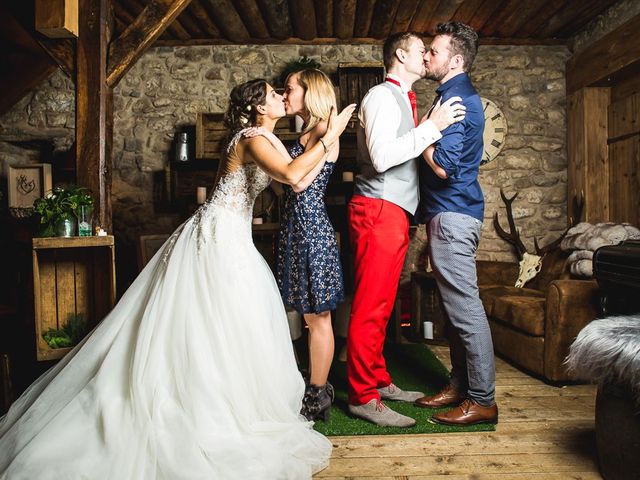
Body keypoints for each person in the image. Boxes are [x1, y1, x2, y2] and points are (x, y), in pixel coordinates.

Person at [0, 79, 356, 479]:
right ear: (259, 108)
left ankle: (226, 401)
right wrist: (332, 138)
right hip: (218, 236)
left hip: (236, 236)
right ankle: (195, 408)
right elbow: (292, 175)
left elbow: (295, 180)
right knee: (206, 321)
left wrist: (321, 145)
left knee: (229, 325)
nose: (281, 96)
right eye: (275, 93)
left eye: (282, 91)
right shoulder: (252, 138)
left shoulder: (270, 139)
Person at [347, 31, 466, 428]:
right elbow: (381, 158)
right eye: (421, 50)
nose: (427, 56)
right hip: (378, 209)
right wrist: (431, 128)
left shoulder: (402, 99)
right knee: (370, 306)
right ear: (400, 54)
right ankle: (362, 397)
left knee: (382, 305)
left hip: (395, 212)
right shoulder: (382, 96)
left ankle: (377, 380)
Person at [413, 21, 499, 426]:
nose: (427, 55)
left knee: (465, 310)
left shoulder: (459, 101)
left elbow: (444, 167)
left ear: (456, 59)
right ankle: (460, 385)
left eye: (434, 50)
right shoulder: (449, 95)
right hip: (446, 215)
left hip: (453, 215)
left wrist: (422, 135)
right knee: (454, 310)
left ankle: (482, 399)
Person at [278, 69, 343, 422]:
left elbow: (300, 183)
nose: (285, 94)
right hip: (294, 229)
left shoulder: (324, 133)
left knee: (318, 317)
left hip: (313, 231)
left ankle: (318, 395)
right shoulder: (306, 132)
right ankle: (310, 384)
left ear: (309, 92)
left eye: (290, 89)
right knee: (305, 314)